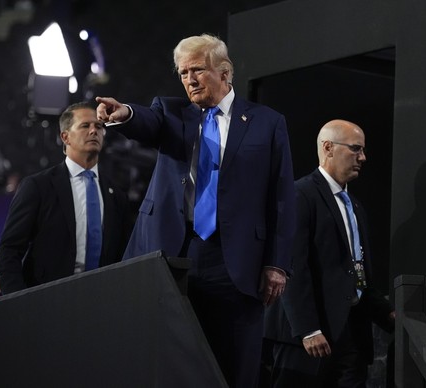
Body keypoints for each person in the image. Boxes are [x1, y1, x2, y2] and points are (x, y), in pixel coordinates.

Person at [95, 34, 296, 388]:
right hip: (174, 253)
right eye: (183, 72)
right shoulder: (172, 113)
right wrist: (123, 113)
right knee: (168, 366)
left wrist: (277, 263)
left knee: (235, 369)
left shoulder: (267, 122)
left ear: (225, 72)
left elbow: (281, 196)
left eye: (197, 70)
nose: (189, 79)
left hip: (235, 260)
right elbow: (146, 121)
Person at [265, 120, 395, 387]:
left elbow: (357, 273)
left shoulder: (355, 206)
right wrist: (309, 329)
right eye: (356, 149)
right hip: (307, 339)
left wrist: (388, 314)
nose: (363, 157)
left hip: (351, 338)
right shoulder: (299, 194)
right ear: (328, 148)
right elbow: (292, 266)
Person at [0, 102, 130, 295]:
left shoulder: (116, 195)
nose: (94, 131)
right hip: (46, 304)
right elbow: (10, 249)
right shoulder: (38, 187)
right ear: (65, 137)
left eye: (99, 126)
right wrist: (17, 300)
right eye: (85, 126)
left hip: (102, 303)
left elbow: (124, 254)